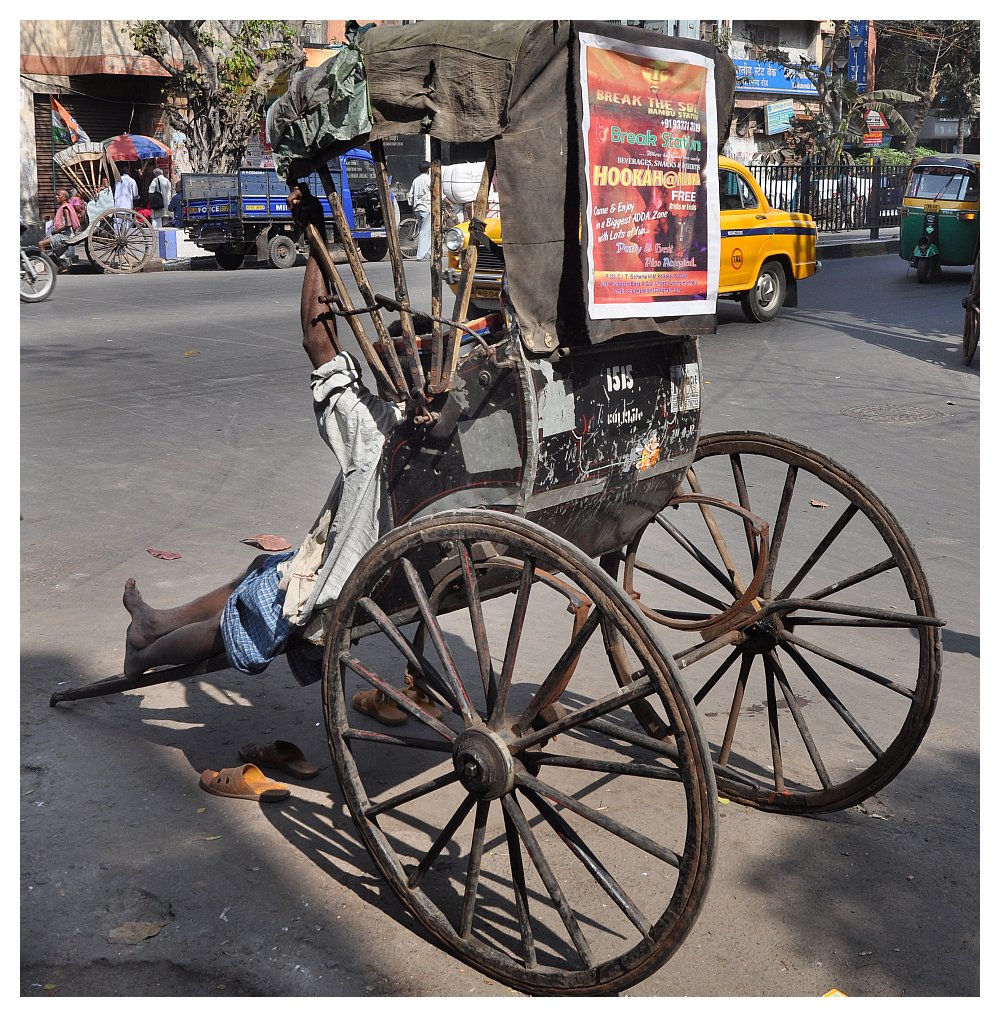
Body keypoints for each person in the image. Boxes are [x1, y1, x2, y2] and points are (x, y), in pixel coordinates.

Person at [120, 184, 405, 719]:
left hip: (342, 585)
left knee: (234, 621)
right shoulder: (445, 428)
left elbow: (318, 341)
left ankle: (145, 655)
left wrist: (315, 242)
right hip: (386, 562)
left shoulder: (378, 426)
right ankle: (154, 622)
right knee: (263, 564)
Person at [39, 188, 81, 271]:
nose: (56, 196)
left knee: (41, 244)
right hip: (63, 234)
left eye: (59, 195)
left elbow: (68, 224)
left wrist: (55, 231)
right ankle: (62, 266)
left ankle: (47, 268)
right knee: (47, 248)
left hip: (65, 235)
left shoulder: (65, 207)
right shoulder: (63, 207)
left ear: (64, 198)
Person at [407, 159, 432, 260]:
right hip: (426, 208)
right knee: (424, 232)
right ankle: (421, 255)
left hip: (418, 208)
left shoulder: (415, 180)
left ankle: (428, 253)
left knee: (426, 231)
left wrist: (413, 206)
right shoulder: (428, 180)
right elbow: (436, 192)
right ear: (428, 170)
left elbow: (410, 195)